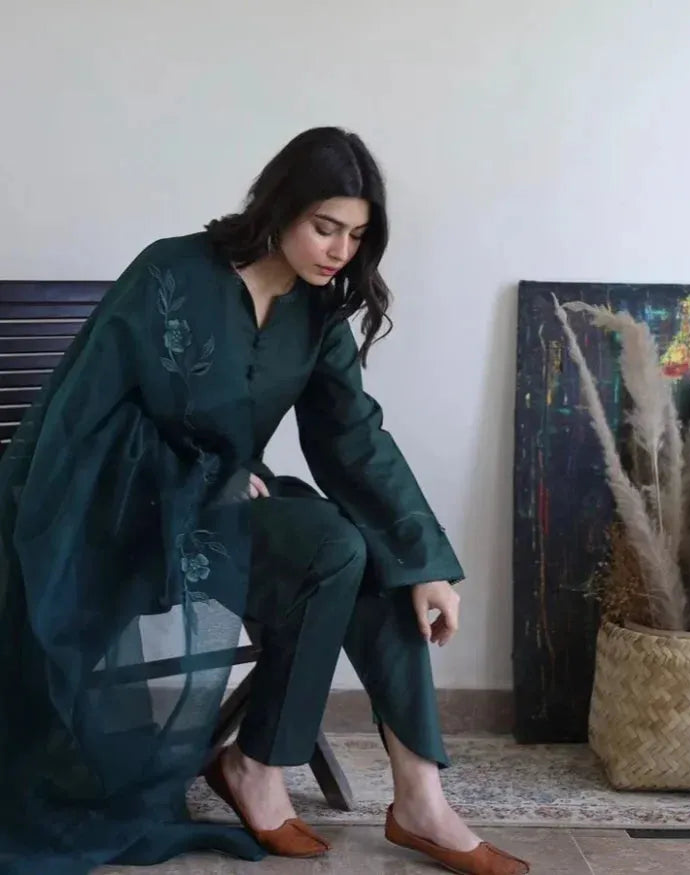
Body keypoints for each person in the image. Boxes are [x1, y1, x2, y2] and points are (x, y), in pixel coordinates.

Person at [0, 127, 528, 875]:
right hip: (121, 521)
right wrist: (206, 475)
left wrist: (426, 564)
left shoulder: (316, 314)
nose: (340, 251)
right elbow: (80, 421)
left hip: (221, 522)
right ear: (280, 206)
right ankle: (257, 767)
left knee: (377, 554)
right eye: (325, 227)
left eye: (356, 234)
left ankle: (420, 794)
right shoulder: (171, 272)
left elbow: (354, 440)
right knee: (333, 540)